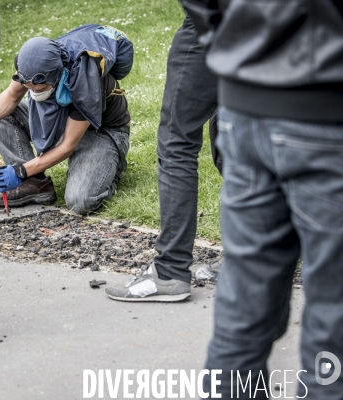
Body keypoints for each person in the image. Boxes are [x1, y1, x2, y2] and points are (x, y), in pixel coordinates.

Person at [182, 0, 343, 397]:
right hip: (326, 105)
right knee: (334, 330)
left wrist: (231, 42)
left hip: (245, 105)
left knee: (243, 317)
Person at [0, 24, 133, 215]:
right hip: (65, 120)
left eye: (40, 89)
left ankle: (111, 165)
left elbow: (68, 145)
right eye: (29, 87)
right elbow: (10, 96)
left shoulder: (84, 80)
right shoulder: (32, 65)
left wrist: (20, 171)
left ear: (57, 76)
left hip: (100, 131)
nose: (33, 92)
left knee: (80, 201)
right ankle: (33, 184)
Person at [105, 14, 219, 302]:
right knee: (236, 130)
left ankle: (169, 272)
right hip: (276, 16)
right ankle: (249, 257)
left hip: (216, 17)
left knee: (176, 141)